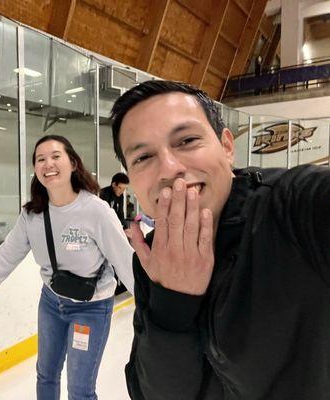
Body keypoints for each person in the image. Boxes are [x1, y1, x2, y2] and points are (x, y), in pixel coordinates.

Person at [110, 80, 330, 400]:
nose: (169, 168)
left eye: (186, 140)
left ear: (227, 146)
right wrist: (172, 303)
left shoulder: (294, 209)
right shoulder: (154, 257)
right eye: (143, 157)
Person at [0, 135, 134, 400]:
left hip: (91, 308)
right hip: (52, 304)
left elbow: (126, 263)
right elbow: (3, 260)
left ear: (73, 163)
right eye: (40, 159)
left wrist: (156, 315)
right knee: (46, 375)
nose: (48, 163)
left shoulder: (96, 211)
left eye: (56, 156)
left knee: (80, 390)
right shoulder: (32, 215)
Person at [100, 172, 131, 295]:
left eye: (124, 189)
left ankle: (121, 283)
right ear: (114, 184)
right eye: (120, 188)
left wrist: (124, 227)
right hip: (104, 233)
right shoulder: (103, 194)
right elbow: (103, 216)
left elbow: (120, 215)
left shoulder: (120, 196)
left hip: (115, 232)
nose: (122, 191)